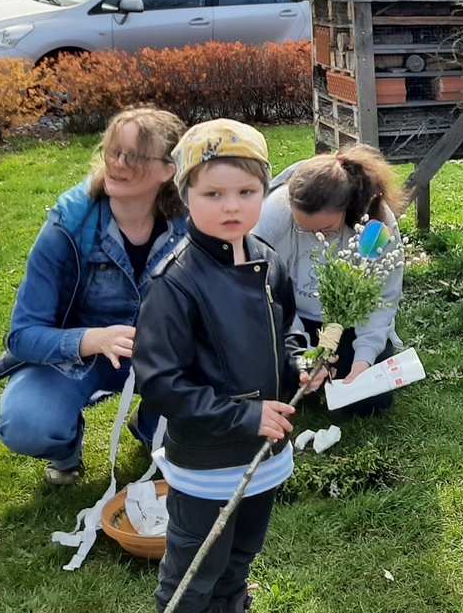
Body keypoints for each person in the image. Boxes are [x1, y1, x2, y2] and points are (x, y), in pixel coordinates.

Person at [132, 119, 317, 613]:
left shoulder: (267, 260)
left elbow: (288, 329)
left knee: (241, 555)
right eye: (213, 194)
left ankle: (232, 604)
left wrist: (300, 365)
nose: (231, 206)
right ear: (185, 196)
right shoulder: (174, 283)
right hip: (208, 464)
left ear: (265, 192)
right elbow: (161, 382)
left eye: (246, 192)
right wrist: (244, 416)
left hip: (264, 454)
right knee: (195, 571)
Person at [0, 107, 188, 486]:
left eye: (134, 156)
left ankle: (153, 426)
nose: (118, 163)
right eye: (113, 151)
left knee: (218, 399)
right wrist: (93, 339)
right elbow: (22, 335)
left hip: (163, 358)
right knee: (26, 423)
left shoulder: (191, 222)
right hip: (75, 356)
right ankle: (66, 453)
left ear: (169, 169)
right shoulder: (69, 223)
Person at [253, 144, 405, 417]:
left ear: (348, 211)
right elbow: (263, 292)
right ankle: (310, 377)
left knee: (369, 401)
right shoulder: (273, 213)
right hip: (290, 321)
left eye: (326, 230)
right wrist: (301, 353)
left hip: (350, 322)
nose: (316, 238)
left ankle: (336, 372)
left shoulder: (376, 225)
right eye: (304, 229)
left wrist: (363, 359)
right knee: (273, 384)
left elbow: (382, 298)